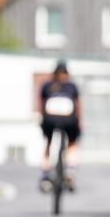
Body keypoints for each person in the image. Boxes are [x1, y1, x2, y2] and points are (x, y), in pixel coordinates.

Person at [39, 60, 82, 193]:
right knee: (73, 143)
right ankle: (70, 170)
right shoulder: (71, 86)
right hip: (69, 120)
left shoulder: (47, 85)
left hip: (50, 120)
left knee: (48, 143)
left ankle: (46, 177)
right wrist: (79, 121)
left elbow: (41, 104)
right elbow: (78, 106)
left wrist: (43, 119)